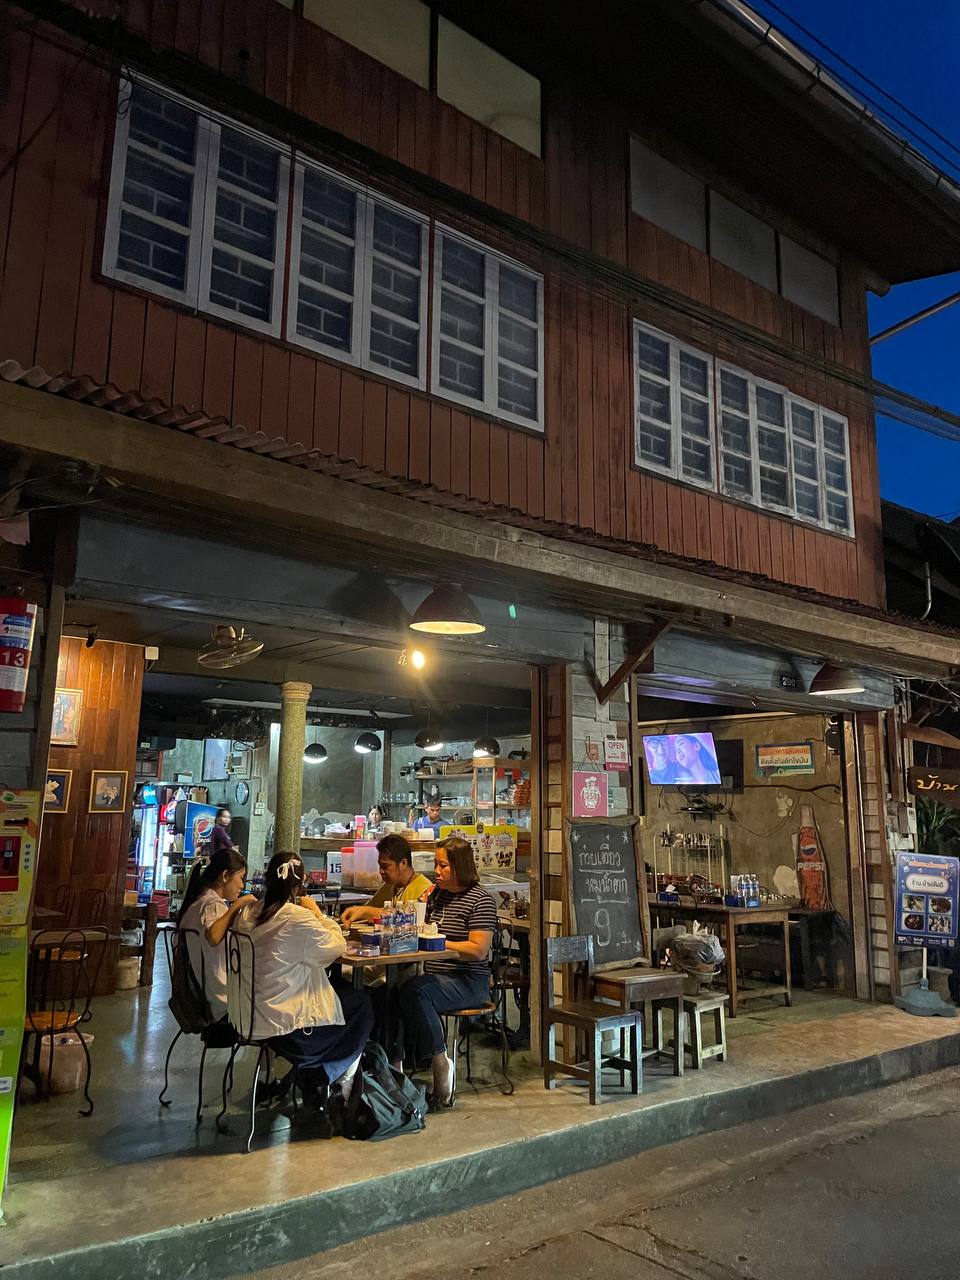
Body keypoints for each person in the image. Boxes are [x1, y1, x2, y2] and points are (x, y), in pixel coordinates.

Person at [232, 851, 374, 1122]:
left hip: (249, 1017)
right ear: (299, 886)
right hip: (289, 1029)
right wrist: (318, 913)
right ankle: (335, 1080)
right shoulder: (297, 918)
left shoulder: (248, 912)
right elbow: (336, 946)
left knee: (343, 997)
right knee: (362, 1003)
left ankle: (320, 1077)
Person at [396, 837, 496, 1108]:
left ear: (460, 867)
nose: (436, 872)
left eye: (443, 866)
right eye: (436, 865)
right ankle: (394, 1070)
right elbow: (415, 922)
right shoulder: (436, 895)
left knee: (416, 992)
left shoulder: (481, 900)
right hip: (433, 974)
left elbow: (478, 950)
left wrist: (439, 941)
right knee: (388, 993)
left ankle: (440, 1062)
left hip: (468, 981)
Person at [177, 847, 256, 1016]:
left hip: (201, 995)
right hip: (220, 1001)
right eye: (241, 878)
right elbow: (213, 936)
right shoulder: (212, 905)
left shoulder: (199, 902)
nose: (242, 886)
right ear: (225, 876)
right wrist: (237, 905)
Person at [340, 835, 432, 928]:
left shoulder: (425, 888)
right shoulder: (389, 886)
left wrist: (365, 911)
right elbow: (367, 909)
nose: (381, 871)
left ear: (403, 863)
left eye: (385, 866)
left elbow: (409, 918)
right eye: (380, 866)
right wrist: (356, 912)